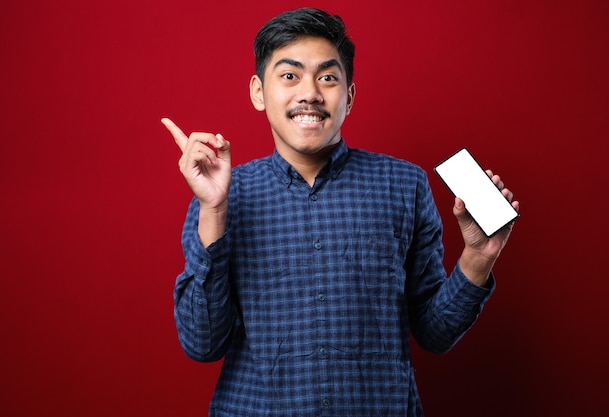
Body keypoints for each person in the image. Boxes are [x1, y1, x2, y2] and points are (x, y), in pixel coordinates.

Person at [161, 7, 519, 417]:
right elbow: (202, 344)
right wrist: (213, 210)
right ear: (259, 92)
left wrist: (477, 257)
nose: (310, 92)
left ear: (348, 95)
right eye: (290, 75)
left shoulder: (405, 185)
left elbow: (434, 333)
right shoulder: (221, 198)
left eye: (328, 77)